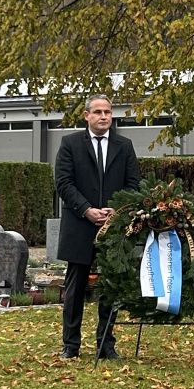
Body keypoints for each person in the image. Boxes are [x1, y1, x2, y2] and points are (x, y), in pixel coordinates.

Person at [55, 94, 140, 359]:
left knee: (111, 286)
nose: (104, 117)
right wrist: (86, 210)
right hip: (80, 225)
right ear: (87, 115)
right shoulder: (70, 144)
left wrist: (118, 209)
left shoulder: (124, 146)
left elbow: (133, 184)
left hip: (113, 229)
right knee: (75, 287)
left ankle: (106, 344)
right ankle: (71, 345)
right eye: (98, 112)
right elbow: (64, 183)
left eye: (108, 112)